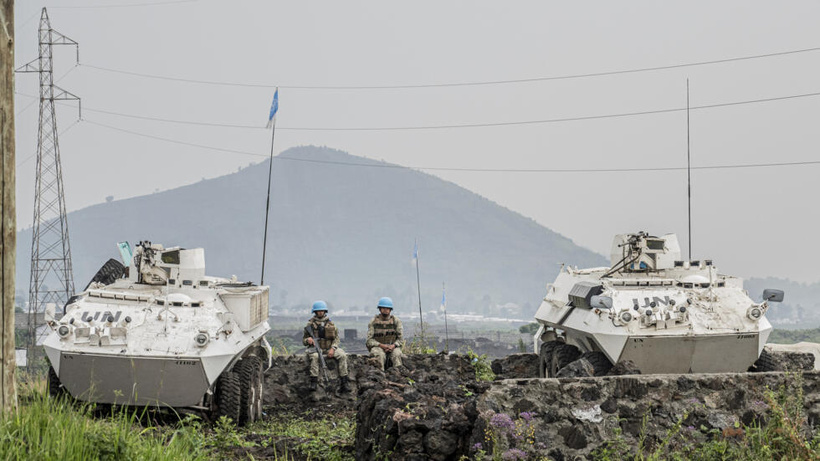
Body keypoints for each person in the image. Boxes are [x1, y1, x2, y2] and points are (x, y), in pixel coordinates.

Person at [303, 300, 350, 392]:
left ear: (325, 311)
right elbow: (304, 340)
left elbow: (336, 338)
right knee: (315, 357)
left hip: (329, 347)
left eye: (322, 310)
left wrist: (333, 348)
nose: (320, 312)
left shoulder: (331, 324)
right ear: (315, 312)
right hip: (315, 348)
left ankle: (344, 383)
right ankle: (313, 382)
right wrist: (308, 340)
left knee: (343, 355)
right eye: (318, 311)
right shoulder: (310, 325)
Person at [366, 297, 404, 371]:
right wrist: (381, 345)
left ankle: (398, 374)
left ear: (390, 310)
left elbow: (401, 339)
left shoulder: (396, 321)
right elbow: (369, 340)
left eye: (387, 308)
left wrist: (393, 346)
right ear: (380, 309)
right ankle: (380, 375)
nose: (385, 310)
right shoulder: (373, 322)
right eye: (383, 308)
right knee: (379, 355)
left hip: (393, 347)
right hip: (378, 347)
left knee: (397, 354)